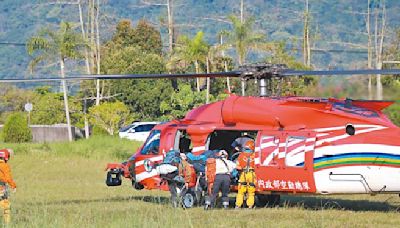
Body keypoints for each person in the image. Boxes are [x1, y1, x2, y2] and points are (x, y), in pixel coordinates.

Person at [235, 140, 256, 209]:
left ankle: (238, 205)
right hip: (252, 174)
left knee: (241, 191)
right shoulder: (255, 155)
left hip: (243, 174)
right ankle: (250, 205)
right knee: (251, 191)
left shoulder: (241, 155)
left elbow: (237, 166)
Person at [0, 149, 16, 224]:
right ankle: (7, 224)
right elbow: (8, 178)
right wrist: (13, 186)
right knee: (6, 206)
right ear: (6, 157)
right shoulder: (5, 166)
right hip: (1, 187)